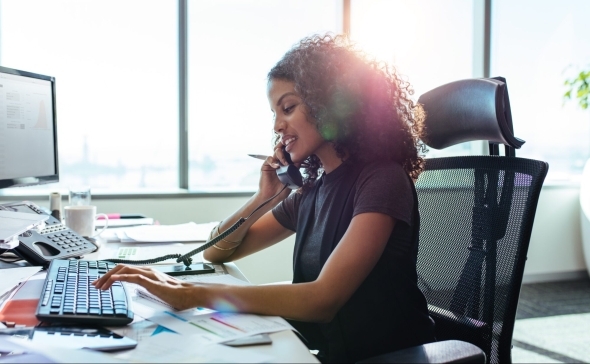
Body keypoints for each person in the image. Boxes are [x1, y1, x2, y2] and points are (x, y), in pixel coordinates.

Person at [93, 34, 436, 362]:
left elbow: (323, 300)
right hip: (323, 351)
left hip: (382, 358)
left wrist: (192, 295)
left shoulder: (382, 180)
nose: (277, 126)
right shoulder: (312, 191)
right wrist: (264, 197)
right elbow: (218, 250)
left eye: (287, 108)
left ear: (330, 104)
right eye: (275, 113)